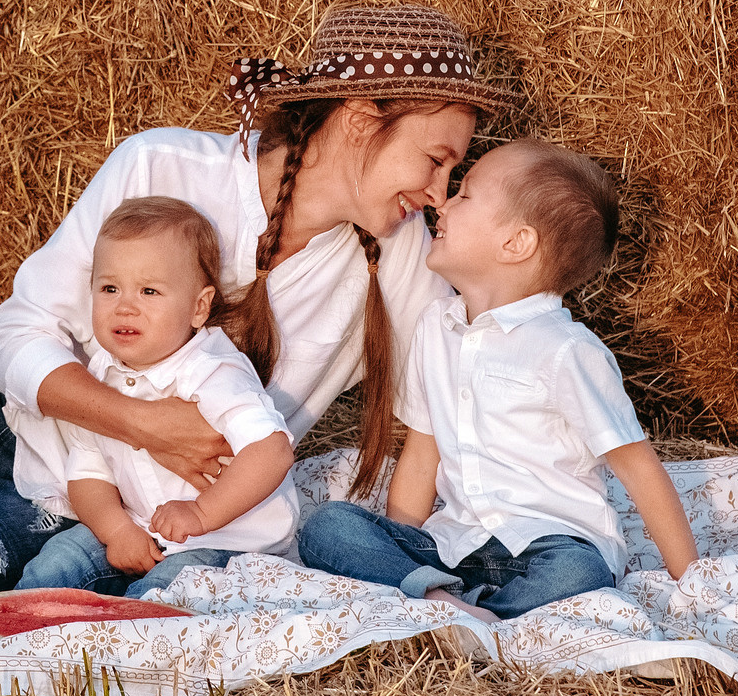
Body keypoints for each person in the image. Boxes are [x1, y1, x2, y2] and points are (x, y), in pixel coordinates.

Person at [0, 3, 512, 601]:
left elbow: (438, 410)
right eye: (435, 160)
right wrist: (149, 424)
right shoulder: (165, 166)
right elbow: (14, 337)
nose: (440, 193)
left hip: (70, 502)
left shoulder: (393, 253)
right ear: (364, 115)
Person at [297, 138, 697, 620]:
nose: (441, 203)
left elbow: (639, 469)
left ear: (516, 243)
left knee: (580, 577)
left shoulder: (568, 351)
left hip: (549, 546)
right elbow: (423, 450)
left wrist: (692, 583)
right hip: (452, 548)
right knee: (328, 526)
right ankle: (442, 600)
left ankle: (466, 612)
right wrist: (402, 545)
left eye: (464, 195)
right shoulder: (435, 328)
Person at [13, 196, 298, 597]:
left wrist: (202, 513)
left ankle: (122, 647)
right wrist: (116, 530)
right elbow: (88, 474)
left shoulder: (213, 371)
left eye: (149, 291)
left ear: (199, 308)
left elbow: (272, 453)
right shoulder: (99, 375)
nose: (125, 306)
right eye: (110, 287)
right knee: (57, 560)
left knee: (169, 591)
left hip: (228, 542)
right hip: (139, 526)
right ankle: (11, 637)